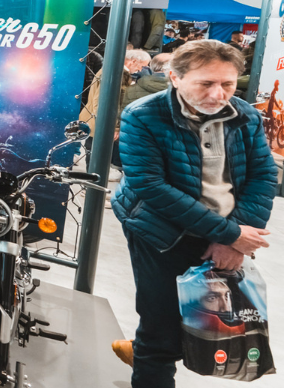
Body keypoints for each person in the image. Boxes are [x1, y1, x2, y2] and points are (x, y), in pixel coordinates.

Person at [110, 40, 276, 386]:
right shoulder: (143, 115)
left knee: (217, 323)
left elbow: (263, 176)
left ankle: (143, 349)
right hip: (160, 233)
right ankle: (149, 356)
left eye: (227, 84)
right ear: (174, 77)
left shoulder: (245, 116)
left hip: (228, 233)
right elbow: (150, 187)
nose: (218, 94)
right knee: (160, 328)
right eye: (206, 83)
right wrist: (230, 235)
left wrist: (235, 238)